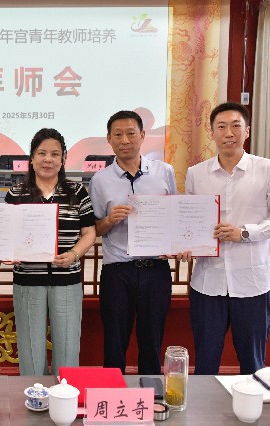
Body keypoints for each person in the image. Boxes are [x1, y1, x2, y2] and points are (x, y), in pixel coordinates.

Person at [184, 102, 270, 374]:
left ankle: (252, 402)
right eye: (221, 127)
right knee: (205, 362)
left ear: (247, 131)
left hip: (252, 283)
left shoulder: (269, 170)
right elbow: (188, 220)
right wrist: (184, 243)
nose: (229, 133)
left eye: (236, 126)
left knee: (253, 362)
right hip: (208, 283)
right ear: (212, 132)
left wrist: (244, 233)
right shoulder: (196, 174)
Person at [89, 110, 178, 374]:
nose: (125, 140)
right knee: (115, 341)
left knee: (152, 341)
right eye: (118, 134)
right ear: (109, 139)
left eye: (131, 133)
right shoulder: (100, 180)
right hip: (118, 271)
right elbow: (95, 229)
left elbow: (174, 216)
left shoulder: (164, 172)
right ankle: (112, 393)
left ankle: (150, 394)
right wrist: (110, 220)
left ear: (142, 135)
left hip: (156, 269)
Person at [5, 128, 96, 376]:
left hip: (67, 279)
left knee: (67, 349)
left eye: (55, 154)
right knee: (30, 351)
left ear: (63, 159)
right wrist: (7, 253)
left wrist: (74, 254)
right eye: (42, 153)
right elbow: (7, 236)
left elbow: (89, 232)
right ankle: (33, 396)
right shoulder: (16, 194)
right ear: (32, 158)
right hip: (27, 280)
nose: (48, 159)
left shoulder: (77, 192)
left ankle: (64, 397)